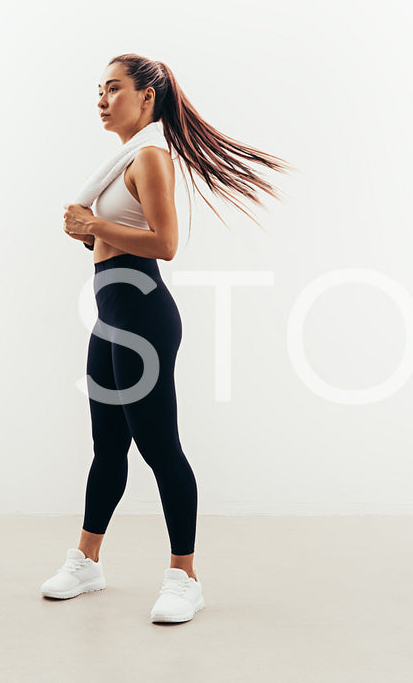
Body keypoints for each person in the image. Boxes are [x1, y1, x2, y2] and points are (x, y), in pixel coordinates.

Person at [41, 53, 291, 623]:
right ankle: (88, 562)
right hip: (111, 314)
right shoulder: (124, 159)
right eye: (98, 90)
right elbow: (116, 240)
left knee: (159, 449)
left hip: (143, 318)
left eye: (113, 89)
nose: (102, 99)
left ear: (146, 97)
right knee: (107, 447)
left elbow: (164, 242)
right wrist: (91, 235)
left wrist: (93, 225)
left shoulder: (151, 156)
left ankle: (185, 577)